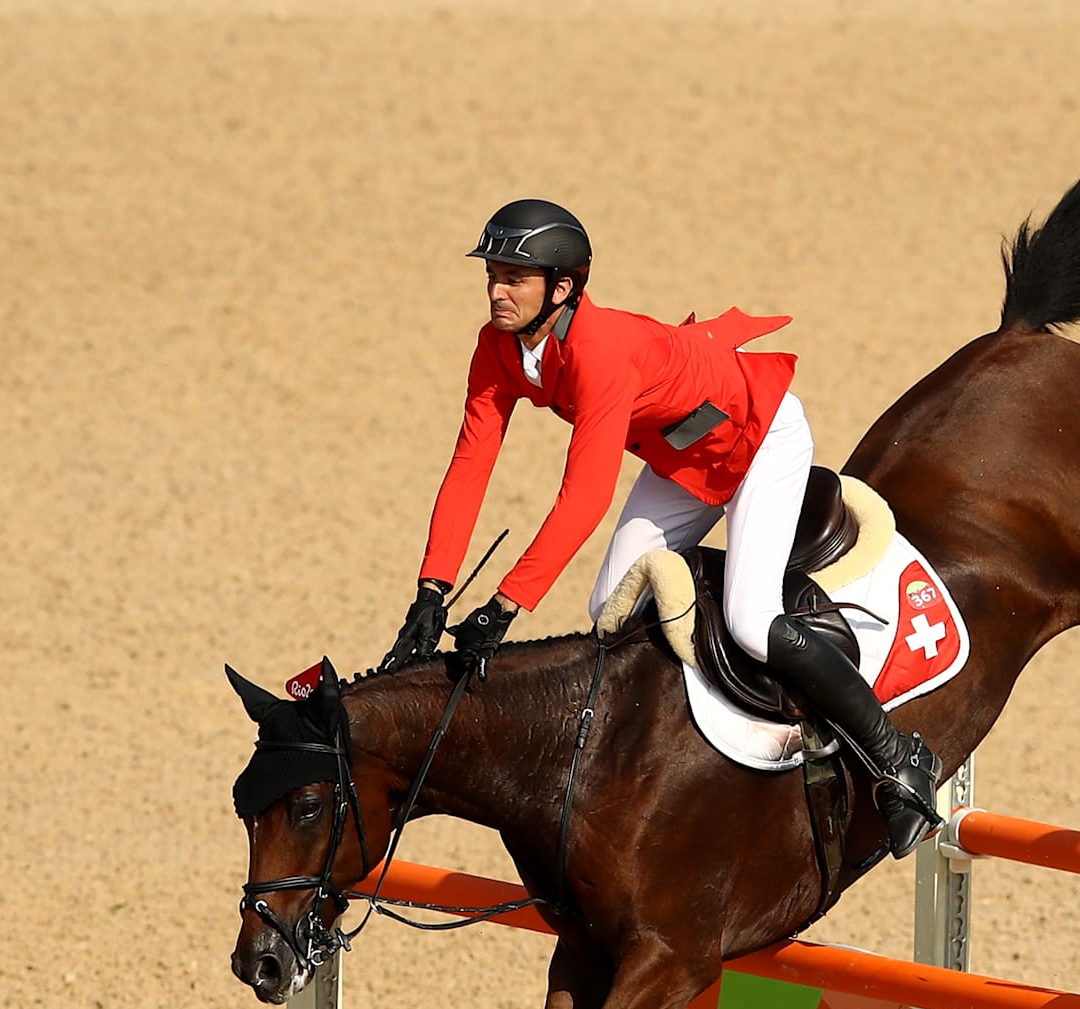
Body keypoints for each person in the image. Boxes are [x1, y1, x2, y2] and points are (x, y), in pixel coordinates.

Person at [379, 198, 942, 847]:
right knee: (609, 611)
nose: (495, 291)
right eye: (492, 276)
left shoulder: (599, 351)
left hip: (758, 437)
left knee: (753, 622)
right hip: (682, 459)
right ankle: (698, 758)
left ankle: (899, 759)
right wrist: (433, 589)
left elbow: (584, 496)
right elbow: (470, 464)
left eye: (513, 278)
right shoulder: (497, 349)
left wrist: (506, 604)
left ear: (562, 288)